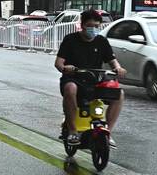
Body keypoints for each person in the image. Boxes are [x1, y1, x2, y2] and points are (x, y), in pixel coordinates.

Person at [54, 9, 127, 148]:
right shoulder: (70, 40)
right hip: (74, 79)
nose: (93, 29)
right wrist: (65, 68)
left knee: (119, 93)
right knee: (70, 88)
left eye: (96, 26)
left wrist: (118, 68)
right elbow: (58, 63)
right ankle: (73, 131)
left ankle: (108, 132)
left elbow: (112, 61)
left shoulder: (101, 41)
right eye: (89, 26)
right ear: (82, 25)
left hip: (95, 80)